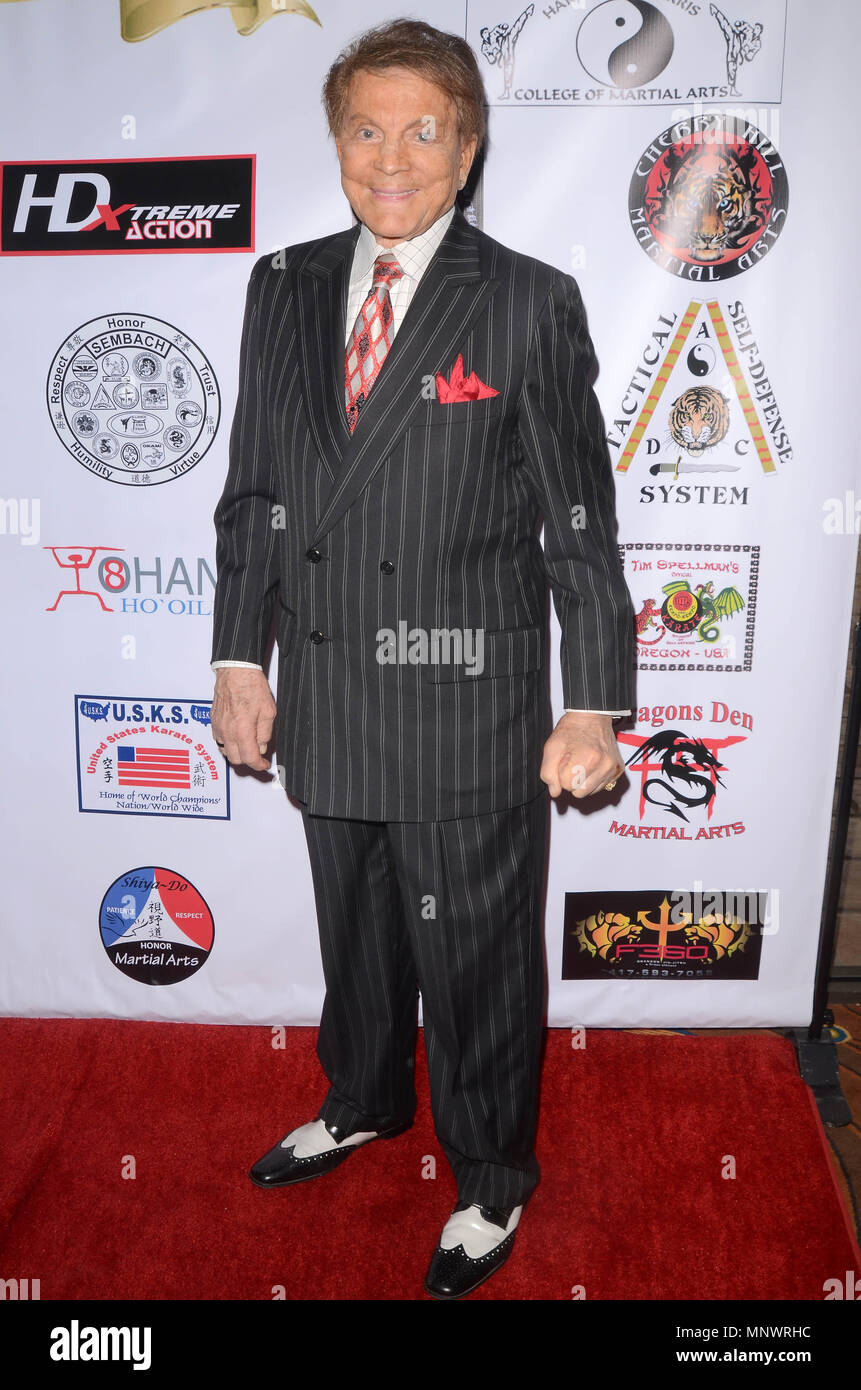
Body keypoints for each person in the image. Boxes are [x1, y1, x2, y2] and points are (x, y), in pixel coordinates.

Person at [210, 17, 635, 1300]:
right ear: (337, 142)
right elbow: (253, 497)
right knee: (362, 939)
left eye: (422, 132)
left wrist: (596, 700)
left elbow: (577, 519)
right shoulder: (281, 286)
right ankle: (363, 1099)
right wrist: (240, 656)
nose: (390, 157)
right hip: (330, 691)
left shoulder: (523, 301)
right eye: (365, 129)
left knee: (477, 960)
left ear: (466, 152)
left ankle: (494, 1172)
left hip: (467, 704)